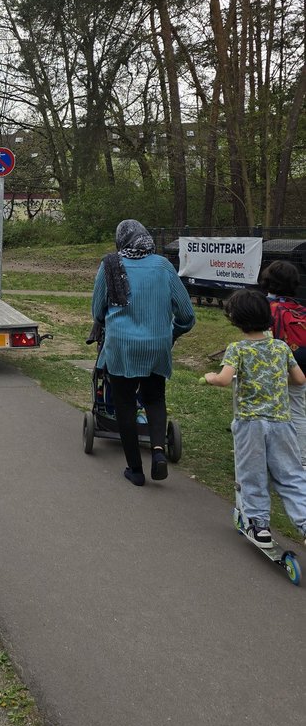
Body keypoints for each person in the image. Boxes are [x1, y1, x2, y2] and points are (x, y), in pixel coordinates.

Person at [92, 219, 195, 486]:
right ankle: (158, 452)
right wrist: (170, 335)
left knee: (125, 404)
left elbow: (97, 312)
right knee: (154, 399)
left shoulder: (110, 265)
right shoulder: (163, 266)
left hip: (121, 347)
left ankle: (135, 470)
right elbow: (187, 315)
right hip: (156, 346)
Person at [202, 288, 306, 546]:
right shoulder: (281, 347)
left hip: (250, 423)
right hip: (281, 421)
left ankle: (259, 525)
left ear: (235, 319)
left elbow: (225, 379)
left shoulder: (237, 349)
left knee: (253, 474)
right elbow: (300, 379)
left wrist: (210, 377)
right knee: (291, 475)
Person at [258, 260, 306, 466]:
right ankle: (301, 458)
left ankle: (266, 456)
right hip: (300, 368)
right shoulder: (300, 309)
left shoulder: (265, 308)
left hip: (273, 369)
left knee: (264, 410)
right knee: (297, 409)